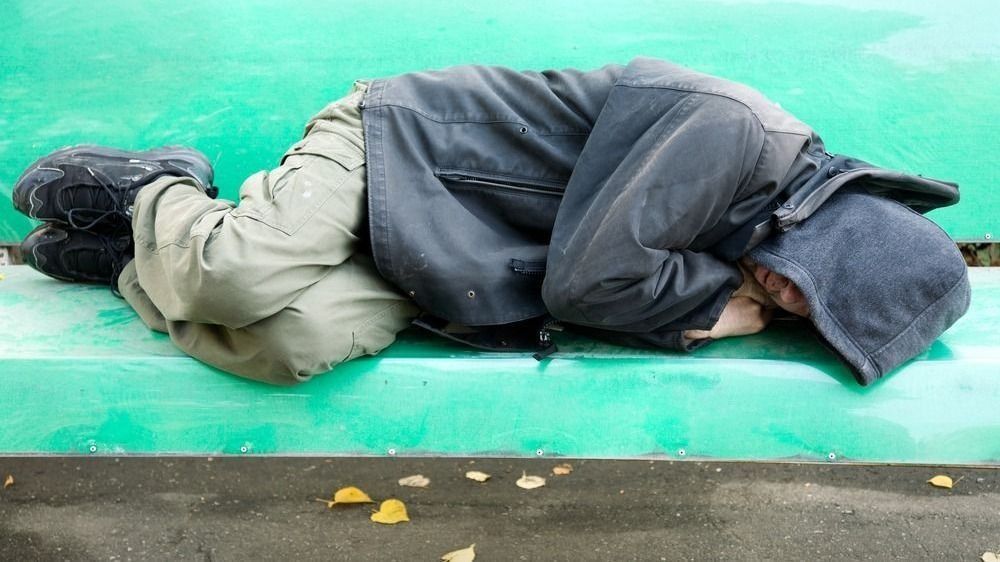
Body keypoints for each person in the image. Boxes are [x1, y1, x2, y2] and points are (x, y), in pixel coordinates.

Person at [11, 57, 970, 386]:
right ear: (841, 236)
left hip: (447, 262)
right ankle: (159, 189)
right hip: (400, 148)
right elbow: (588, 285)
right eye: (808, 288)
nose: (782, 299)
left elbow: (587, 285)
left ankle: (126, 263)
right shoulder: (736, 134)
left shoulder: (767, 234)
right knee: (236, 275)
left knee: (289, 344)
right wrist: (707, 304)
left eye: (804, 313)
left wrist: (708, 296)